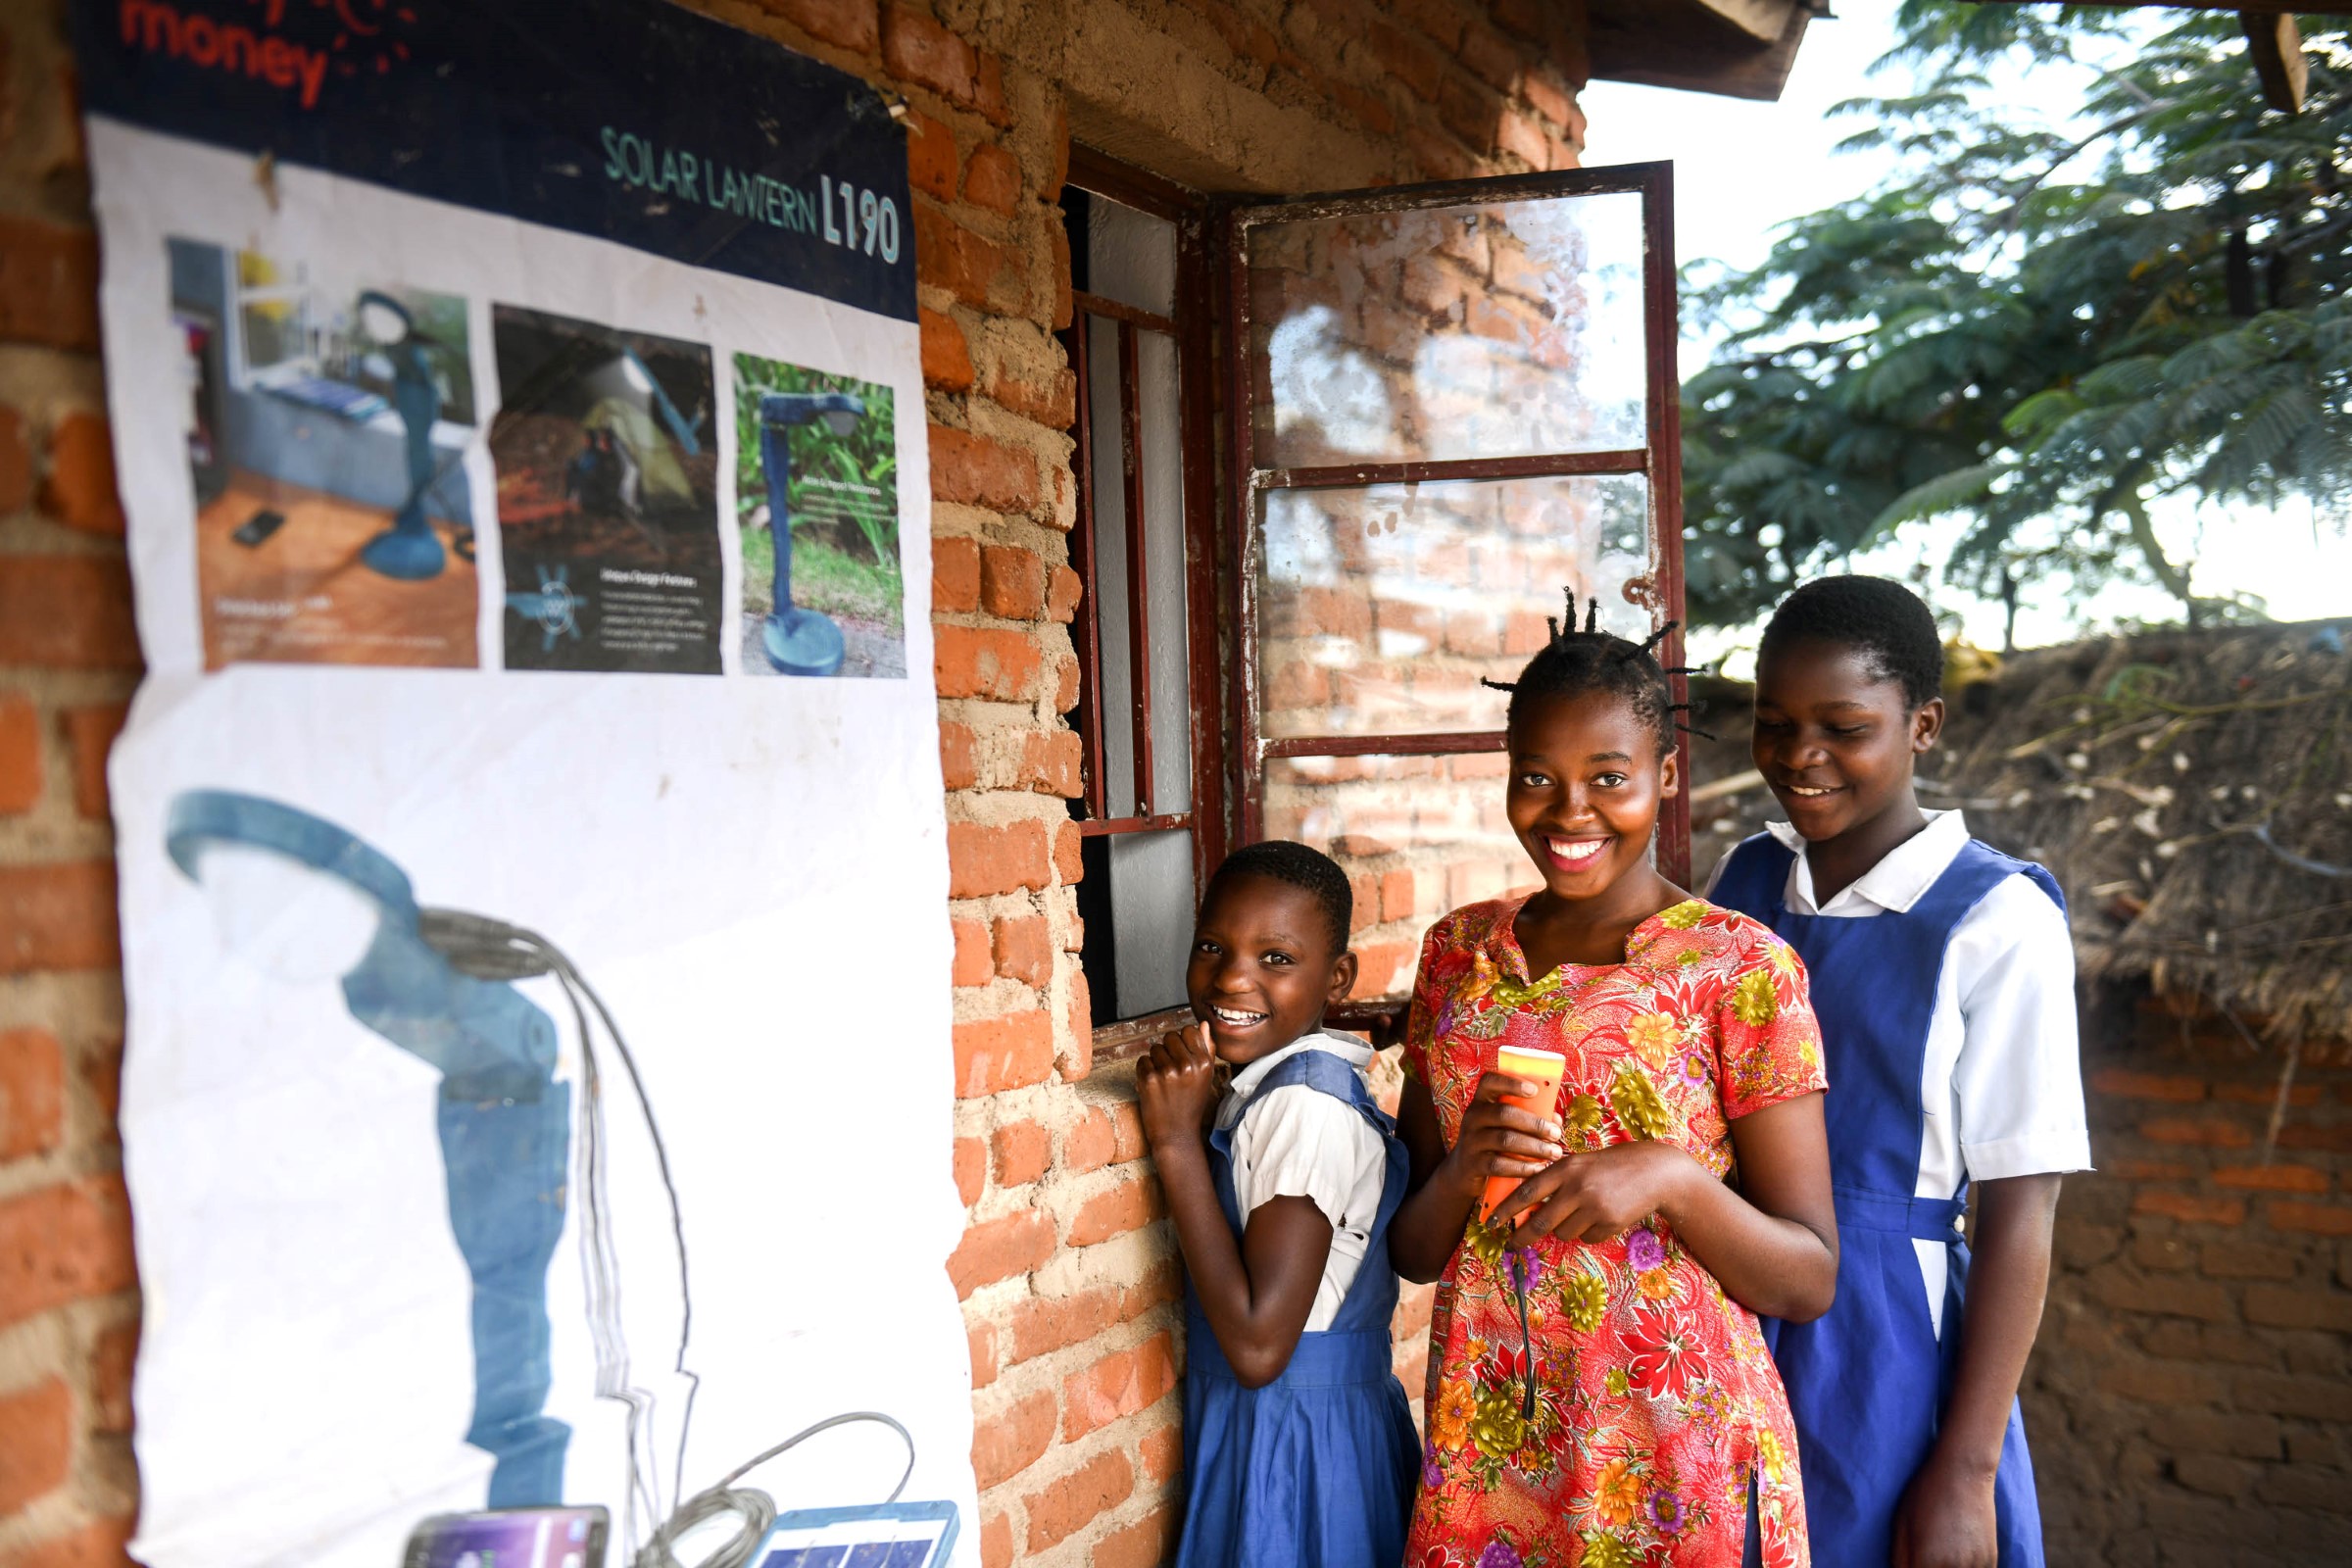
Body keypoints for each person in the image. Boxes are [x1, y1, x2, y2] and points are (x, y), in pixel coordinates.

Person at [1392, 597, 1840, 1568]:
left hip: (1679, 1461)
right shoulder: (1459, 955)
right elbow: (1417, 1251)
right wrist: (1467, 1164)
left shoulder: (1738, 967)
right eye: (1537, 778)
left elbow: (1807, 1277)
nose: (1570, 811)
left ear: (1665, 776)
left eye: (1609, 777)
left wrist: (1673, 1178)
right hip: (1495, 1454)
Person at [1708, 575, 2088, 1568]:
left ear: (1922, 724)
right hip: (1722, 1301)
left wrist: (1964, 1470)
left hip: (1883, 1341)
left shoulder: (1999, 919)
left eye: (1844, 725)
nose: (1800, 756)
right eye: (1774, 722)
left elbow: (2021, 1209)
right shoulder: (1746, 881)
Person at [1135, 840, 1420, 1568]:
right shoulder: (1278, 1085)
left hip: (1294, 1450)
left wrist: (1174, 1146)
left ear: (1339, 976)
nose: (1232, 977)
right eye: (1211, 946)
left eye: (1277, 959)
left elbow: (1260, 1348)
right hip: (1305, 1431)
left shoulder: (1302, 1105)